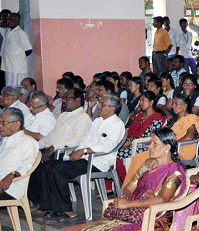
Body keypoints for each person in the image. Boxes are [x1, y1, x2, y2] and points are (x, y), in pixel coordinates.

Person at [29, 94, 126, 222]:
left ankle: (67, 211)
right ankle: (49, 207)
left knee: (57, 169)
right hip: (84, 158)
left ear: (112, 108)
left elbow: (107, 146)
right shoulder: (97, 121)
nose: (99, 107)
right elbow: (85, 140)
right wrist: (76, 151)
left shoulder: (117, 124)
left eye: (102, 104)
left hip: (98, 162)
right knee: (47, 166)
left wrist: (83, 151)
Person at [115, 90, 166, 180]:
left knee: (119, 154)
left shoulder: (157, 118)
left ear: (151, 102)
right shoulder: (141, 116)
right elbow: (131, 132)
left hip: (145, 145)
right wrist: (129, 141)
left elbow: (152, 138)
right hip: (134, 142)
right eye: (140, 101)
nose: (141, 103)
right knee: (114, 151)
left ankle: (126, 181)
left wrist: (131, 143)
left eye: (143, 101)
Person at [1, 12, 32, 87]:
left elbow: (29, 49)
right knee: (9, 85)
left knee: (17, 86)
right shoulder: (8, 31)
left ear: (16, 21)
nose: (8, 21)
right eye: (8, 19)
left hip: (17, 68)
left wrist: (19, 58)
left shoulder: (20, 33)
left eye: (11, 20)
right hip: (8, 66)